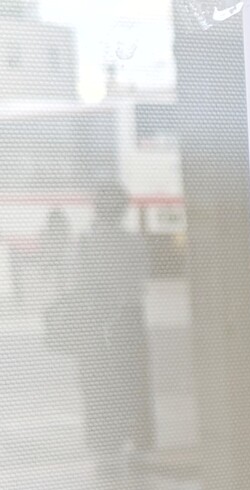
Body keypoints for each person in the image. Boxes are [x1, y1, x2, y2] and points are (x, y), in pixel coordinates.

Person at [49, 182, 154, 472]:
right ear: (123, 209)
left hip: (94, 322)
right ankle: (133, 439)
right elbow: (141, 281)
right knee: (129, 381)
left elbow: (71, 283)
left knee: (96, 384)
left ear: (96, 208)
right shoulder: (133, 242)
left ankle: (103, 447)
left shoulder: (83, 242)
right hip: (128, 320)